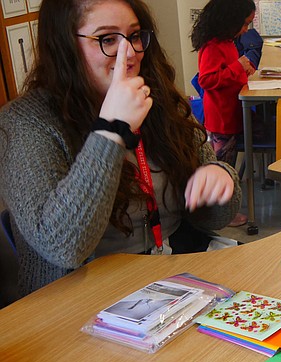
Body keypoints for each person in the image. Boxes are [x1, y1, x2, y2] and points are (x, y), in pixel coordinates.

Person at [0, 0, 242, 298]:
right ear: (65, 45)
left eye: (135, 36)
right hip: (80, 301)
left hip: (173, 278)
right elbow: (63, 247)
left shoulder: (160, 100)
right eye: (107, 39)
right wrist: (110, 132)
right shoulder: (25, 122)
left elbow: (213, 220)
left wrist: (220, 179)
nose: (129, 53)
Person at [190, 0, 256, 227]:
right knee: (221, 168)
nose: (246, 29)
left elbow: (228, 71)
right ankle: (220, 214)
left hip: (231, 113)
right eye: (245, 24)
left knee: (227, 164)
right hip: (221, 118)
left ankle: (223, 209)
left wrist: (244, 68)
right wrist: (237, 67)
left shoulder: (228, 42)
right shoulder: (212, 46)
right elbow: (207, 80)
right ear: (230, 20)